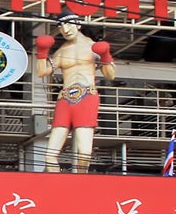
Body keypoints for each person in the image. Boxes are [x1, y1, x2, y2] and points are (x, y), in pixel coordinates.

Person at [35, 14, 116, 173]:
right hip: (65, 99)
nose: (65, 30)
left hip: (86, 97)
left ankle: (79, 186)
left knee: (84, 153)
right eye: (61, 26)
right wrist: (42, 52)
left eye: (69, 24)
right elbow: (42, 72)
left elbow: (111, 75)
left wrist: (106, 56)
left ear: (78, 25)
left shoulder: (93, 47)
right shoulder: (61, 52)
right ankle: (56, 188)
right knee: (50, 154)